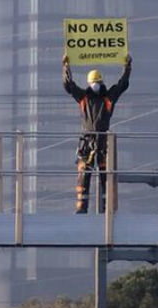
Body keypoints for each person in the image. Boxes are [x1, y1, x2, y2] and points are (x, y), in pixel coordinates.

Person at [62, 53, 131, 214]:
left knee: (105, 176)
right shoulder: (84, 98)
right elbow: (69, 86)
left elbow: (122, 85)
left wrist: (127, 67)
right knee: (84, 176)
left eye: (97, 82)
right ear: (89, 83)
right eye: (94, 82)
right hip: (87, 141)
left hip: (103, 141)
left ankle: (106, 210)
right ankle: (82, 209)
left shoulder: (108, 98)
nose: (95, 85)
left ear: (101, 82)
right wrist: (66, 66)